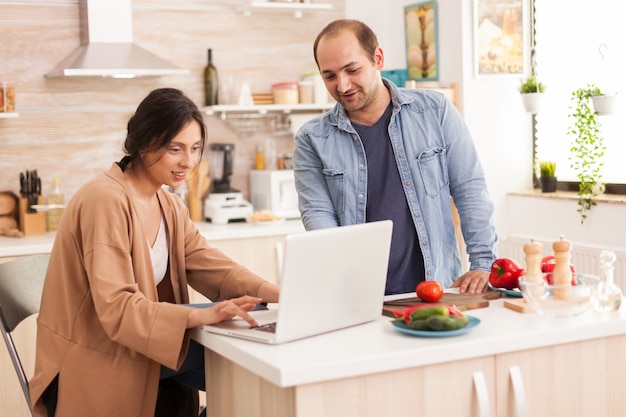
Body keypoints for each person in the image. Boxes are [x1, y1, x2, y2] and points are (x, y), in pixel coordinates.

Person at [29, 88, 280, 417]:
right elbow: (117, 308)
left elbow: (217, 269)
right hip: (98, 353)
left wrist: (279, 293)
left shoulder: (168, 204)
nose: (187, 162)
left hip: (137, 342)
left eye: (194, 149)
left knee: (252, 372)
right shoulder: (105, 200)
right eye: (175, 148)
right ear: (144, 142)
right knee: (250, 373)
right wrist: (199, 314)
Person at [294, 19, 498, 296]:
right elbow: (318, 215)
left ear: (378, 58)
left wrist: (484, 262)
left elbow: (469, 188)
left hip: (438, 287)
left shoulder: (435, 111)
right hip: (359, 295)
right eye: (329, 76)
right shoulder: (312, 139)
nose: (342, 86)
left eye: (352, 70)